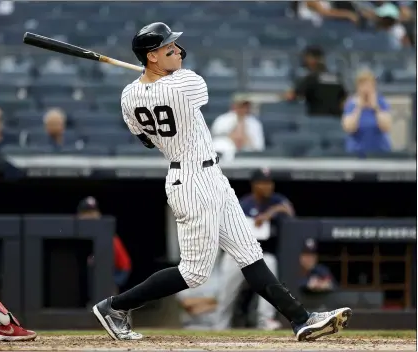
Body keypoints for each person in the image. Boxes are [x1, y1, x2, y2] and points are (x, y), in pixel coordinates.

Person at [92, 22, 352, 342]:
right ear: (152, 56)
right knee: (194, 272)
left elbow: (145, 140)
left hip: (207, 174)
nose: (178, 52)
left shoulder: (129, 94)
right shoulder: (185, 82)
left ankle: (301, 319)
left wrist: (153, 86)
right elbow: (185, 93)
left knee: (248, 254)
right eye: (169, 48)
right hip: (191, 180)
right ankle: (115, 306)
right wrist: (163, 88)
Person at [214, 168, 294, 331]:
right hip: (236, 253)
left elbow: (290, 212)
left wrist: (270, 213)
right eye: (263, 183)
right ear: (255, 185)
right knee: (226, 295)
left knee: (270, 265)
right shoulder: (244, 203)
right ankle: (220, 326)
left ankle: (265, 321)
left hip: (261, 253)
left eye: (270, 183)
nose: (268, 187)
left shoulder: (276, 200)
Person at [77, 196, 132, 294]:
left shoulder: (108, 234)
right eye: (87, 213)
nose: (91, 216)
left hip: (111, 276)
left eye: (93, 213)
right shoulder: (76, 232)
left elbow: (123, 264)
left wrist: (112, 282)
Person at [284, 46, 347, 117]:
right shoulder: (336, 77)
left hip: (316, 121)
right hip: (336, 121)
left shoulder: (311, 78)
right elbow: (344, 100)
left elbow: (291, 96)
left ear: (312, 59)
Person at [341, 69, 392, 155]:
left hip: (380, 151)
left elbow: (386, 127)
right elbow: (349, 128)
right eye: (363, 85)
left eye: (369, 85)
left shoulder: (381, 102)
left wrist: (375, 108)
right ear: (358, 87)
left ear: (374, 86)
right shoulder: (351, 104)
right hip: (356, 152)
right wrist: (358, 108)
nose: (366, 89)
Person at [176, 258, 221, 330]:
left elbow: (223, 302)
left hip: (216, 327)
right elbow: (187, 303)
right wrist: (212, 301)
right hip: (190, 326)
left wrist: (199, 305)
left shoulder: (219, 275)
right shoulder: (184, 275)